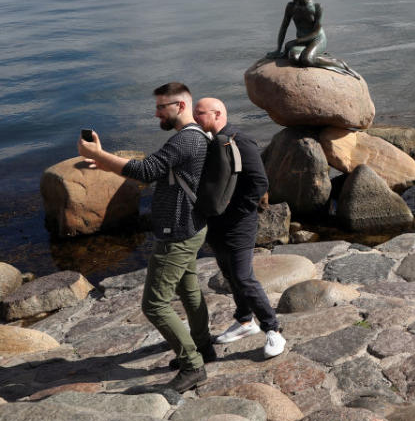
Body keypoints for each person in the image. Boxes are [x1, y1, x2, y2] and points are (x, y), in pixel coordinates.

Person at [78, 82, 214, 393]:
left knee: (154, 304)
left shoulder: (185, 141)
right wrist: (102, 160)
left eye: (160, 107)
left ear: (180, 106)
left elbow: (145, 170)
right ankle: (204, 347)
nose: (155, 114)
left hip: (178, 232)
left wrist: (99, 154)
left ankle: (193, 365)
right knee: (189, 289)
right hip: (191, 226)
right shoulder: (197, 137)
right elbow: (152, 169)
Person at [193, 97, 285, 358]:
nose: (195, 118)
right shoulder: (211, 141)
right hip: (217, 223)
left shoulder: (239, 140)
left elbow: (259, 182)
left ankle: (274, 329)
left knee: (244, 277)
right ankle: (245, 322)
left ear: (218, 113)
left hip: (239, 224)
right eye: (194, 113)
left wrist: (238, 211)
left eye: (200, 113)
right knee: (229, 274)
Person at [267, 0, 360, 78]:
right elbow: (283, 27)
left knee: (307, 59)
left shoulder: (317, 7)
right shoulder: (291, 7)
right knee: (294, 58)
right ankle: (317, 56)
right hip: (302, 42)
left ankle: (340, 64)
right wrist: (278, 49)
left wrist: (297, 41)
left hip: (317, 40)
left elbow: (316, 32)